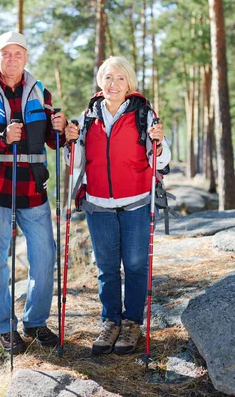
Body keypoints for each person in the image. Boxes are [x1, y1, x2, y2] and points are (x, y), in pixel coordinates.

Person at [0, 31, 67, 354]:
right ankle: (6, 328)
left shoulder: (40, 93)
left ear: (26, 57)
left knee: (44, 256)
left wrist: (62, 128)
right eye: (5, 54)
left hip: (33, 189)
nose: (12, 59)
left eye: (17, 53)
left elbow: (53, 141)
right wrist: (2, 138)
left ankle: (35, 321)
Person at [65, 55, 171, 356]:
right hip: (98, 203)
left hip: (136, 202)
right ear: (101, 81)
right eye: (109, 77)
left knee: (136, 266)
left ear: (129, 84)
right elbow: (75, 165)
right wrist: (69, 143)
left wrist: (160, 144)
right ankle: (110, 321)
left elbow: (161, 161)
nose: (114, 84)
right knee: (107, 268)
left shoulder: (144, 113)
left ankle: (131, 323)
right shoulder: (88, 115)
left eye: (121, 78)